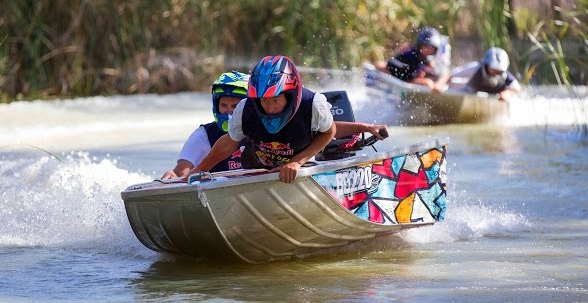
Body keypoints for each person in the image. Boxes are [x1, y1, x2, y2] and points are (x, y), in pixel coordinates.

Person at [188, 55, 387, 184]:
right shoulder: (245, 108)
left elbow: (329, 131)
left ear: (291, 95)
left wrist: (296, 162)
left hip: (299, 171)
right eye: (264, 101)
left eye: (275, 100)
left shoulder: (314, 104)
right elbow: (229, 143)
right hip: (257, 171)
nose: (270, 107)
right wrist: (196, 173)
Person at [161, 71, 250, 179]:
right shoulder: (203, 135)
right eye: (223, 105)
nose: (228, 111)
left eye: (235, 106)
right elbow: (181, 174)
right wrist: (173, 176)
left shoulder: (260, 129)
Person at [374, 26, 451, 92]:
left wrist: (438, 85)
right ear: (419, 45)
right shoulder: (410, 55)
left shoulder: (432, 60)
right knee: (428, 83)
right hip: (404, 83)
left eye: (431, 48)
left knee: (431, 82)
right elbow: (386, 66)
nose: (428, 50)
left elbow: (446, 73)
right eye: (426, 46)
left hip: (416, 82)